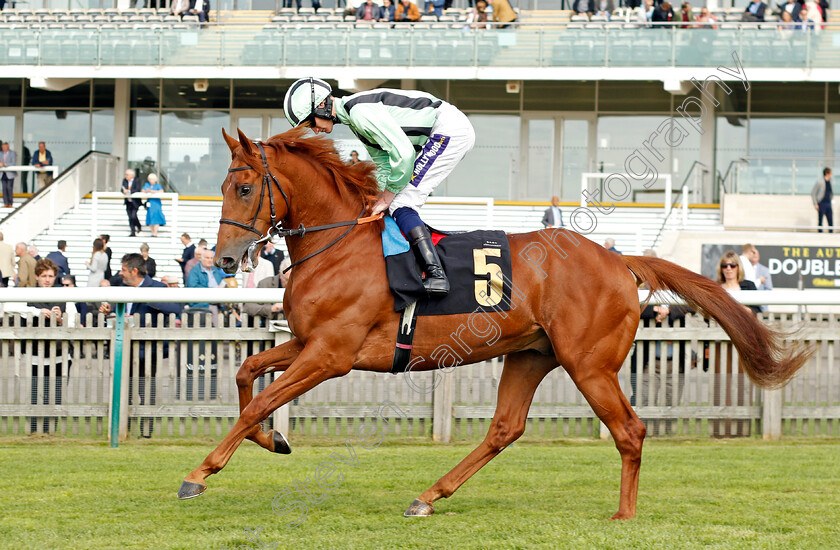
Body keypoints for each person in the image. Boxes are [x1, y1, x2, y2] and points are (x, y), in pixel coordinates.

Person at [283, 78, 476, 296]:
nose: (315, 130)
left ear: (322, 106)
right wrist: (377, 198)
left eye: (311, 123)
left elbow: (403, 155)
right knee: (395, 202)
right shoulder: (354, 118)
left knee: (402, 202)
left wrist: (388, 195)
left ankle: (436, 275)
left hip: (449, 129)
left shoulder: (359, 113)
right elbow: (384, 163)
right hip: (444, 129)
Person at [99, 253, 182, 438]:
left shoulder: (158, 287)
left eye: (123, 270)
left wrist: (146, 298)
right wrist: (108, 310)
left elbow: (176, 309)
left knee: (147, 394)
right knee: (123, 392)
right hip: (124, 350)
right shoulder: (121, 288)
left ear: (134, 271)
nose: (120, 273)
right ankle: (123, 431)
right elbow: (117, 312)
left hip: (149, 351)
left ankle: (146, 434)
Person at [26, 258, 69, 433]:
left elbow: (73, 322)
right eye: (43, 276)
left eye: (50, 276)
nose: (47, 280)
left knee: (56, 393)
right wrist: (36, 312)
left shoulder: (63, 296)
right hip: (35, 352)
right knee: (37, 392)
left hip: (59, 352)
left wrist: (60, 319)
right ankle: (36, 430)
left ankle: (51, 430)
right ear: (37, 276)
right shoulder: (28, 296)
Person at [143, 173, 166, 237]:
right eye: (150, 179)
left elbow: (161, 191)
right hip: (150, 202)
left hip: (156, 203)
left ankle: (155, 232)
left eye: (152, 179)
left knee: (156, 216)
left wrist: (153, 191)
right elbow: (143, 190)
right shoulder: (147, 185)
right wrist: (147, 191)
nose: (151, 180)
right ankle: (152, 232)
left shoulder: (158, 185)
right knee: (150, 216)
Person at [812, 167, 833, 233]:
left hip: (828, 203)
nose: (831, 175)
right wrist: (815, 203)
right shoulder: (820, 182)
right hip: (821, 203)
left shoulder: (830, 181)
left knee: (830, 220)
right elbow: (813, 192)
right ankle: (820, 233)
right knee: (820, 220)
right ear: (827, 173)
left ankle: (831, 233)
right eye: (830, 173)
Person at [122, 168, 143, 237]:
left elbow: (137, 189)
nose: (126, 176)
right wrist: (124, 191)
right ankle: (133, 232)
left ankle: (139, 226)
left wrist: (129, 191)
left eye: (127, 174)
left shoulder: (137, 180)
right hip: (128, 202)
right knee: (130, 217)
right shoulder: (124, 180)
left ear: (132, 175)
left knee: (133, 216)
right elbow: (122, 188)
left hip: (135, 202)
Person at [0, 141, 17, 207]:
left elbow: (13, 163)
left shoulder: (12, 153)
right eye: (3, 147)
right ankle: (5, 203)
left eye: (5, 147)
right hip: (2, 173)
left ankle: (10, 203)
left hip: (10, 174)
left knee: (9, 188)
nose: (4, 148)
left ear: (8, 147)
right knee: (4, 188)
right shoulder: (0, 153)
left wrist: (4, 164)